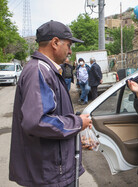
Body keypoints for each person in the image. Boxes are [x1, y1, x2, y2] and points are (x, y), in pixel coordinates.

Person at [9, 20, 92, 187]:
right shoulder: (39, 70)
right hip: (49, 174)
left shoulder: (45, 69)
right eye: (68, 45)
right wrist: (77, 123)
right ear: (55, 43)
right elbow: (37, 122)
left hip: (51, 171)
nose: (70, 51)